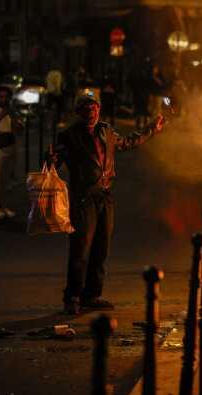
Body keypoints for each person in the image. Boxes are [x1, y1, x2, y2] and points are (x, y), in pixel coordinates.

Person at [48, 95, 166, 314]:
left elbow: (128, 142)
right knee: (80, 250)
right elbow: (58, 158)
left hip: (105, 197)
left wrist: (152, 129)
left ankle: (92, 294)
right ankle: (72, 296)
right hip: (83, 199)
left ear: (99, 110)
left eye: (93, 109)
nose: (90, 113)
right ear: (78, 112)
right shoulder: (69, 135)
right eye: (85, 109)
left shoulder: (107, 131)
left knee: (101, 248)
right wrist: (52, 159)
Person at [0, 86, 17, 219]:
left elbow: (18, 127)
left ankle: (3, 206)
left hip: (10, 146)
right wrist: (1, 116)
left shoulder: (11, 111)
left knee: (6, 180)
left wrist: (14, 117)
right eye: (0, 96)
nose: (4, 99)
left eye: (6, 96)